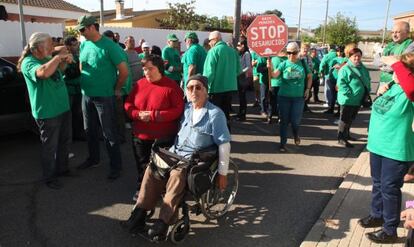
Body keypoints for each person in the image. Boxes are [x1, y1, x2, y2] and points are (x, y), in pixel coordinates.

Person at [121, 74, 231, 241]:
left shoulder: (215, 114)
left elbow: (224, 144)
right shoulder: (186, 109)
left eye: (198, 87)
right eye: (190, 88)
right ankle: (139, 213)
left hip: (195, 159)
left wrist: (223, 173)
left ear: (206, 92)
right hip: (175, 153)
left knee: (177, 176)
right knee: (152, 169)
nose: (193, 91)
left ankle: (164, 222)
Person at [358, 53, 414, 244]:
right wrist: (382, 92)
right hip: (378, 145)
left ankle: (390, 229)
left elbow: (411, 88)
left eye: (398, 70)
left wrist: (398, 64)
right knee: (378, 183)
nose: (393, 72)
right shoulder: (394, 86)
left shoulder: (410, 91)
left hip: (395, 148)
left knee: (390, 188)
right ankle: (378, 215)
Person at [17, 32, 73, 189]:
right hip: (47, 112)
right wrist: (57, 57)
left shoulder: (47, 56)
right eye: (49, 45)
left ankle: (63, 169)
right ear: (37, 48)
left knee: (65, 141)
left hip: (62, 107)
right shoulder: (29, 62)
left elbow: (58, 71)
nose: (52, 48)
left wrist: (64, 60)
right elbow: (43, 73)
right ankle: (49, 177)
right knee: (50, 147)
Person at [124, 54, 184, 200]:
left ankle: (161, 189)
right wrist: (137, 114)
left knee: (161, 166)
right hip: (140, 134)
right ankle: (142, 188)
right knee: (142, 164)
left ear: (160, 69)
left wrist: (154, 115)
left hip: (163, 136)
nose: (147, 72)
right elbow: (128, 104)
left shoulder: (171, 86)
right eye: (144, 69)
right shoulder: (139, 84)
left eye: (150, 69)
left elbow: (178, 109)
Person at [75, 15, 128, 180]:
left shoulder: (110, 46)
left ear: (92, 27)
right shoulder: (84, 44)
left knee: (108, 132)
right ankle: (93, 159)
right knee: (89, 130)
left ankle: (116, 166)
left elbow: (124, 71)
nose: (81, 33)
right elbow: (81, 65)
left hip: (104, 96)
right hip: (86, 95)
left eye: (82, 29)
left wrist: (116, 89)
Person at [267, 42, 312, 152]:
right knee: (284, 121)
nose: (291, 55)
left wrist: (307, 89)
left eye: (294, 52)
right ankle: (283, 143)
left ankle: (296, 134)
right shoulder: (284, 64)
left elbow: (309, 76)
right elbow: (274, 75)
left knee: (295, 121)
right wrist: (270, 67)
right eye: (289, 53)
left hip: (298, 98)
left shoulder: (302, 63)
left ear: (298, 52)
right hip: (284, 97)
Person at [336, 48, 370, 148]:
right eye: (354, 56)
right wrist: (350, 94)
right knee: (344, 120)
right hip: (347, 99)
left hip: (358, 99)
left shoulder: (362, 67)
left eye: (359, 56)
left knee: (351, 118)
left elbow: (367, 79)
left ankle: (347, 135)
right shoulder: (345, 68)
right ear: (349, 57)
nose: (357, 58)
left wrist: (367, 90)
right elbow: (341, 84)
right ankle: (341, 138)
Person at [102, 30, 132, 144]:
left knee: (117, 114)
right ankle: (118, 136)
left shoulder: (114, 49)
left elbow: (122, 71)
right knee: (116, 114)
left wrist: (119, 88)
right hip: (119, 87)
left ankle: (119, 137)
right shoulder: (116, 48)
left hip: (117, 87)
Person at [203, 31, 240, 122]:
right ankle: (226, 133)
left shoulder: (213, 51)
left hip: (216, 89)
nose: (209, 43)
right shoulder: (233, 51)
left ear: (215, 40)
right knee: (225, 114)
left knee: (214, 116)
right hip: (230, 88)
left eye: (210, 40)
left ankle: (216, 135)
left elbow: (209, 73)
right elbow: (238, 70)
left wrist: (204, 88)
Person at [63, 36, 85, 141]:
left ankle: (78, 134)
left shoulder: (78, 56)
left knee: (78, 113)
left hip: (78, 89)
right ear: (68, 46)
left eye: (77, 44)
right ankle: (69, 137)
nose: (77, 46)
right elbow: (70, 74)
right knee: (69, 114)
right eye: (74, 44)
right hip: (69, 90)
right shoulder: (65, 57)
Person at [268, 49, 287, 124]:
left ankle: (270, 116)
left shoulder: (273, 58)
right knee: (281, 102)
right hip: (282, 84)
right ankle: (280, 117)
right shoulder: (286, 60)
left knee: (272, 101)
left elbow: (270, 71)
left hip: (274, 83)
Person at [326, 46, 347, 115]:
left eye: (341, 51)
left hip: (340, 80)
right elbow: (330, 68)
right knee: (333, 95)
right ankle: (331, 109)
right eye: (338, 51)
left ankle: (339, 111)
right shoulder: (334, 59)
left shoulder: (345, 59)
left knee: (339, 95)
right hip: (333, 79)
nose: (339, 53)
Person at [235, 39, 251, 121]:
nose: (237, 47)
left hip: (243, 77)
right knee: (240, 96)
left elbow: (248, 66)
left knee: (242, 96)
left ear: (243, 46)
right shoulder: (239, 54)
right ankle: (240, 113)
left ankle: (243, 114)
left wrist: (240, 72)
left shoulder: (247, 54)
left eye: (238, 45)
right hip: (238, 76)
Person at [319, 45, 337, 111]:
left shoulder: (327, 56)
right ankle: (336, 102)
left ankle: (329, 103)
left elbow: (322, 65)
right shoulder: (338, 55)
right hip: (338, 75)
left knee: (329, 90)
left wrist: (321, 73)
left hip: (329, 75)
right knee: (336, 90)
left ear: (329, 48)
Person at [300, 43, 313, 113]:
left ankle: (305, 106)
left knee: (308, 92)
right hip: (300, 77)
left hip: (307, 77)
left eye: (307, 48)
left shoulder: (309, 57)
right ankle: (302, 106)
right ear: (301, 49)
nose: (305, 50)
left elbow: (311, 67)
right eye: (304, 48)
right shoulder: (298, 57)